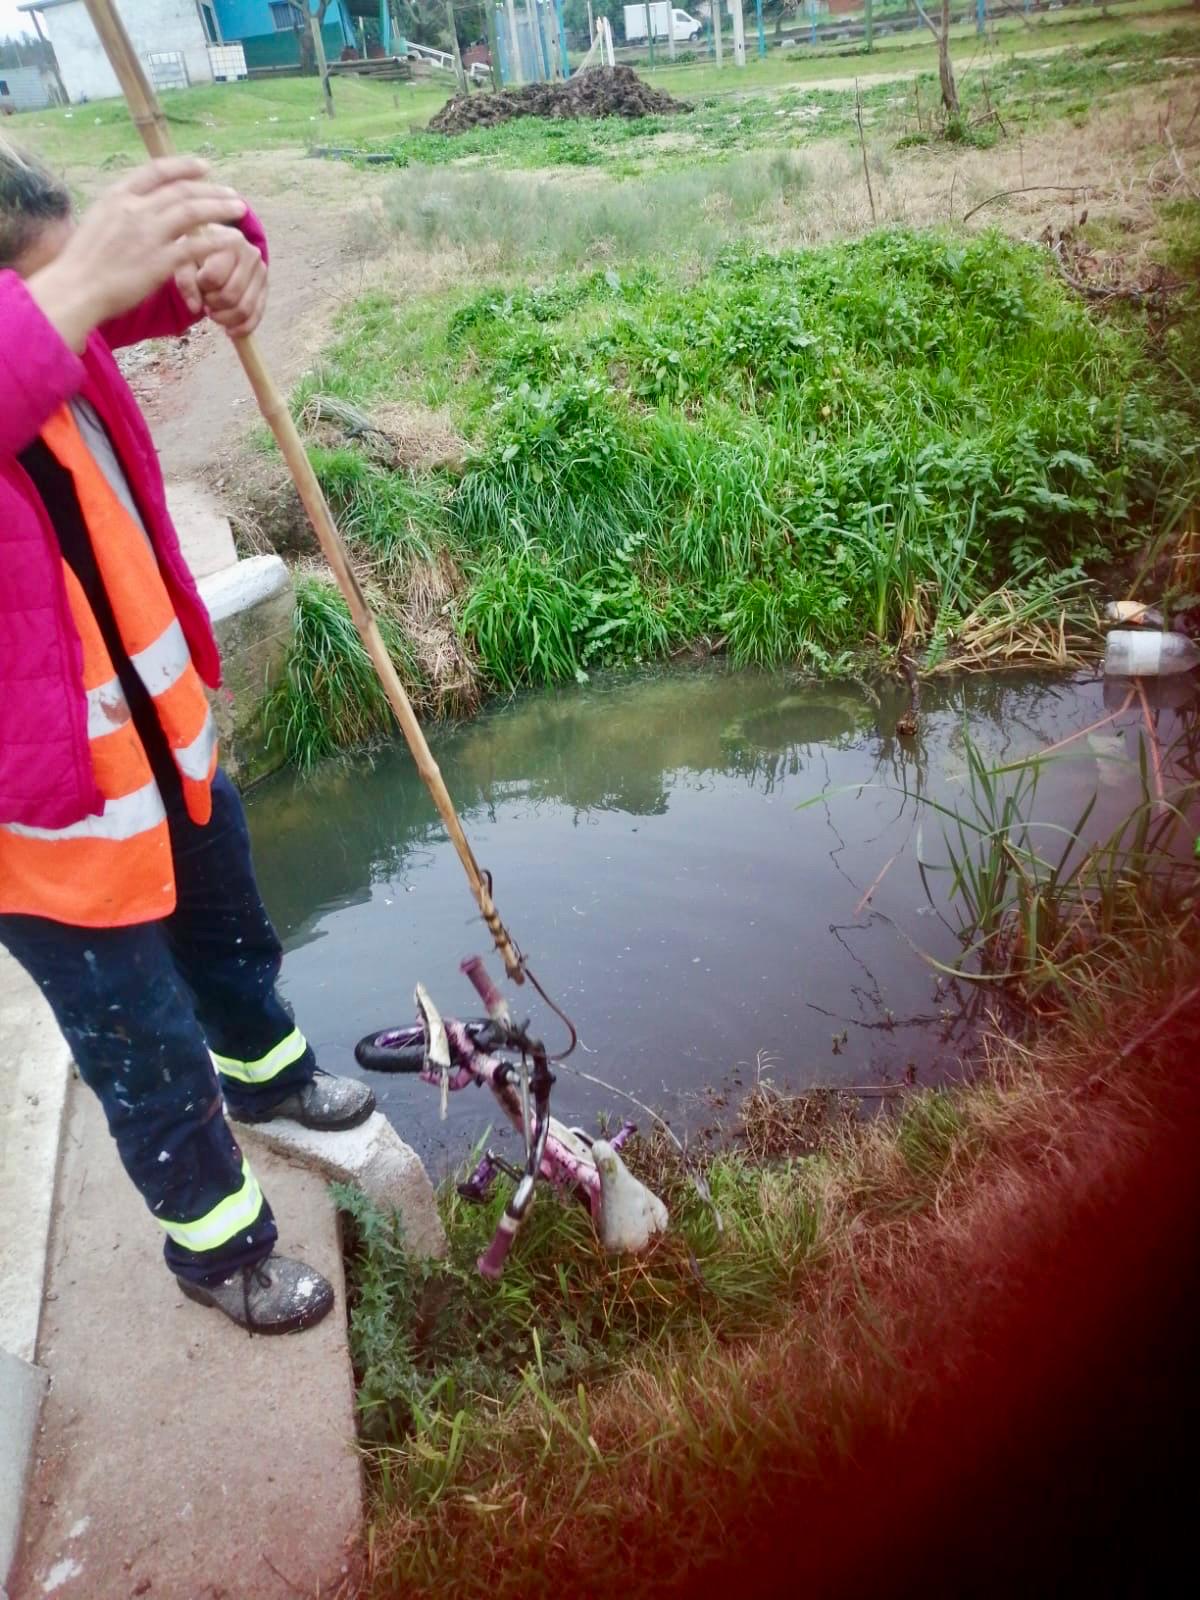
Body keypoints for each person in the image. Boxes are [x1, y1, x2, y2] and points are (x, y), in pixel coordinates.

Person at [0, 141, 375, 1335]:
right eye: (51, 298)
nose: (80, 322)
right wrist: (62, 301)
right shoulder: (31, 335)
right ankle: (220, 1248)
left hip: (164, 744)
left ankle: (267, 1076)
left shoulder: (60, 318)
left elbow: (161, 278)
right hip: (51, 827)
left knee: (231, 937)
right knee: (142, 1047)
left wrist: (228, 242)